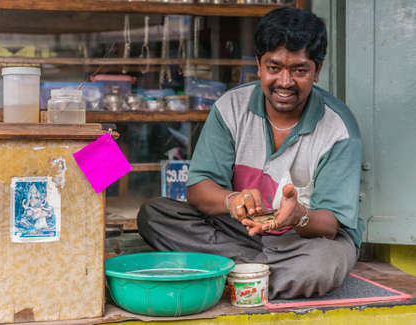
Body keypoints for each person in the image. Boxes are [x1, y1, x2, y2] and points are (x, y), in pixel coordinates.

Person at [137, 7, 364, 299]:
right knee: (154, 215)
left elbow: (331, 225)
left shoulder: (339, 129)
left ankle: (225, 273)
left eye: (299, 70)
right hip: (240, 233)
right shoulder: (231, 107)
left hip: (305, 242)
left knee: (321, 265)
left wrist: (297, 216)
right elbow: (198, 190)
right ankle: (256, 277)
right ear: (258, 65)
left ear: (317, 71)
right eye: (274, 67)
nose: (285, 82)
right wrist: (231, 200)